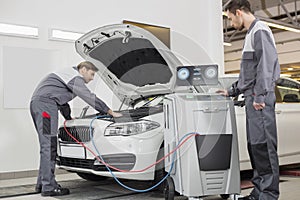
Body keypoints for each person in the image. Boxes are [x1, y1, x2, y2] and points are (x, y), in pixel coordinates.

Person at [217, 1, 281, 200]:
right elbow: (249, 73)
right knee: (255, 147)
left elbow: (266, 65)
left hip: (259, 99)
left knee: (264, 148)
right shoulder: (251, 34)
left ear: (238, 12)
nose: (230, 22)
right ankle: (259, 192)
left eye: (229, 17)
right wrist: (231, 91)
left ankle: (268, 195)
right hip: (252, 98)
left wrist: (260, 96)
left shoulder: (259, 30)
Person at [30, 61, 122, 196]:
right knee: (49, 145)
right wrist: (110, 111)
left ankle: (42, 184)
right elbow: (89, 97)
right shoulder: (75, 77)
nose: (92, 78)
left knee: (47, 145)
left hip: (40, 105)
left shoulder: (66, 75)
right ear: (83, 69)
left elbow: (62, 101)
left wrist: (68, 117)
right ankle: (49, 187)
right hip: (45, 107)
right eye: (91, 74)